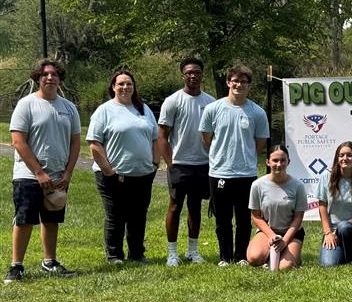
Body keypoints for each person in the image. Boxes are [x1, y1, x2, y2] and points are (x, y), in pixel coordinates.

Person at [4, 59, 81, 284]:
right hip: (28, 175)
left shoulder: (69, 108)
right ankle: (16, 266)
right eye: (45, 74)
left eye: (55, 74)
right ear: (38, 78)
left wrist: (67, 173)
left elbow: (75, 143)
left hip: (58, 176)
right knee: (24, 219)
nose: (50, 78)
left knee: (51, 219)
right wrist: (38, 172)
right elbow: (18, 141)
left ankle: (50, 262)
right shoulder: (26, 104)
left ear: (60, 79)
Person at [199, 65, 269, 266]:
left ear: (249, 86)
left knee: (243, 218)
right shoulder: (213, 109)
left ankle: (241, 257)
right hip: (220, 172)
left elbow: (260, 141)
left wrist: (246, 156)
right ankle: (225, 257)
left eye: (244, 82)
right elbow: (206, 137)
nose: (239, 85)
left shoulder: (257, 112)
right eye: (235, 81)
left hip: (246, 173)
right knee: (222, 219)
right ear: (228, 83)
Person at [87, 70, 159, 264]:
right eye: (121, 84)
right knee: (116, 215)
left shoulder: (143, 109)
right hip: (113, 174)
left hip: (143, 173)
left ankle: (137, 253)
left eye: (129, 84)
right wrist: (109, 171)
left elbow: (155, 138)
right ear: (113, 87)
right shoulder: (104, 110)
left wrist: (155, 163)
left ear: (134, 87)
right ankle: (114, 255)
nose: (125, 87)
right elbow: (94, 143)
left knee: (138, 215)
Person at [157, 57, 215, 266]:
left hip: (203, 163)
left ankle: (193, 250)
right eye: (189, 72)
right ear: (183, 75)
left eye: (197, 72)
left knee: (195, 207)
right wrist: (171, 164)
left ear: (202, 75)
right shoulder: (173, 101)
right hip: (180, 163)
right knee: (174, 207)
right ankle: (172, 252)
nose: (193, 76)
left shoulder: (210, 102)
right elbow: (162, 136)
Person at [246, 145, 307, 269]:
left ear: (288, 162)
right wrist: (271, 235)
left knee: (285, 267)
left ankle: (292, 255)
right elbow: (256, 216)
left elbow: (298, 218)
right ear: (268, 162)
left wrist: (285, 241)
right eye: (275, 160)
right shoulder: (257, 185)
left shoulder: (298, 186)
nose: (279, 164)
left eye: (283, 160)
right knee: (254, 258)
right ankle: (270, 254)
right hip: (268, 231)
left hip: (292, 233)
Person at [317, 142, 352, 266]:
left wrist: (345, 225)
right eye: (341, 155)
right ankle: (349, 254)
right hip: (333, 231)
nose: (345, 158)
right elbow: (322, 206)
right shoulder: (326, 177)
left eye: (349, 155)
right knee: (329, 264)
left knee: (344, 227)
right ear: (337, 158)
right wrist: (328, 233)